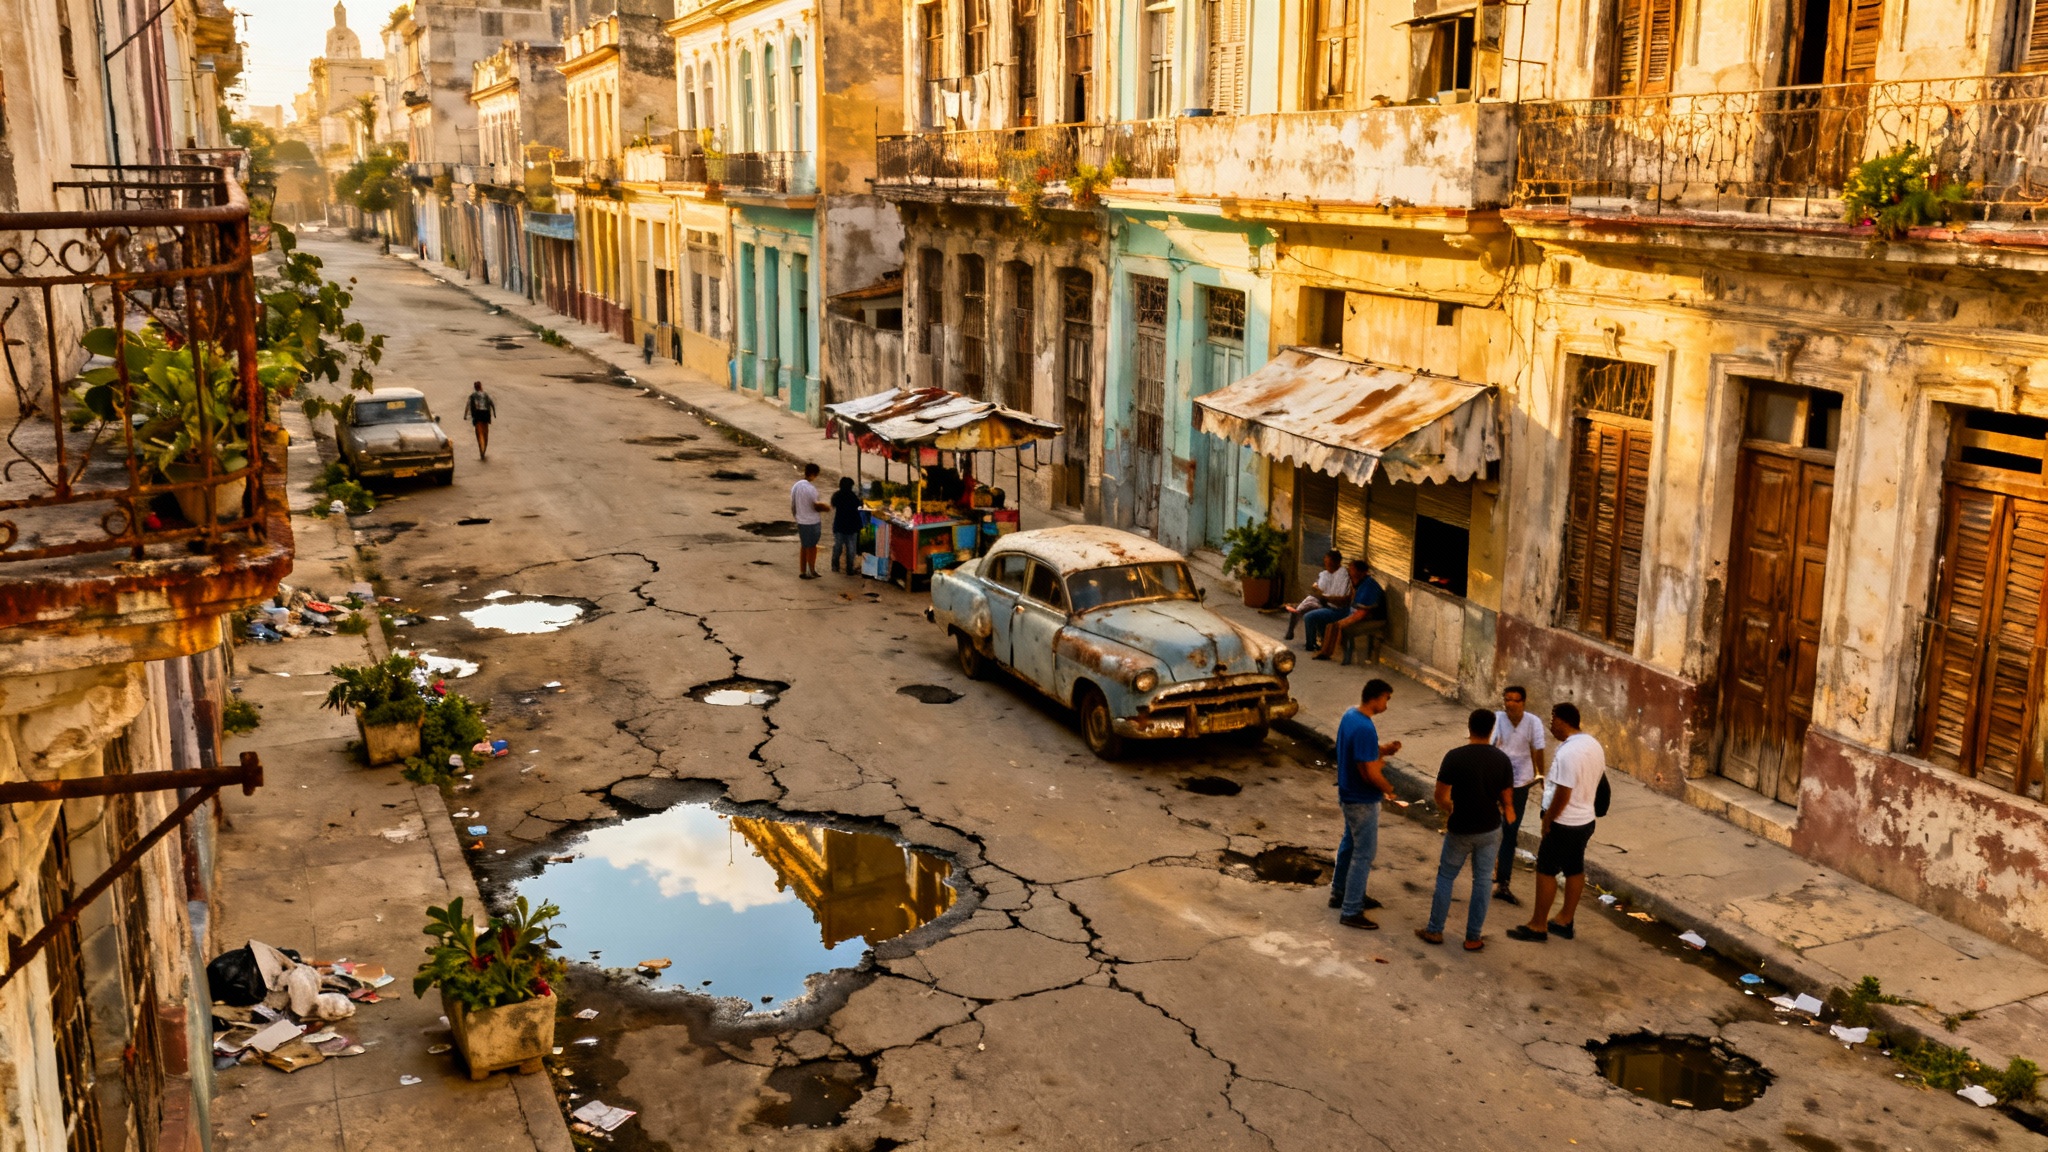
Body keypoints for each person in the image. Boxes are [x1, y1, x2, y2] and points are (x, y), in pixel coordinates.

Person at [1418, 710, 1516, 951]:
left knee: (1446, 877)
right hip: (1490, 828)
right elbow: (1507, 798)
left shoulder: (1455, 757)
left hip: (1460, 826)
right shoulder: (1501, 759)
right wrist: (1508, 812)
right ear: (1492, 729)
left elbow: (1440, 795)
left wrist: (1450, 808)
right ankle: (1473, 937)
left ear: (1469, 727)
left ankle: (1435, 930)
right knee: (1482, 881)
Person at [1508, 702, 1605, 943]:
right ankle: (1564, 920)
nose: (1551, 726)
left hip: (1564, 822)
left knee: (1546, 870)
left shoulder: (1568, 752)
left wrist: (1548, 819)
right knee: (1574, 867)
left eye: (1552, 721)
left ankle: (1538, 925)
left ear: (1562, 721)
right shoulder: (1592, 744)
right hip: (1585, 820)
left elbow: (1564, 793)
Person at [1330, 679, 1401, 929]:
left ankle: (1340, 892)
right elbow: (1369, 772)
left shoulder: (1351, 716)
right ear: (1376, 698)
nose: (1387, 705)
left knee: (1350, 843)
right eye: (1386, 699)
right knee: (1364, 854)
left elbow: (1361, 753)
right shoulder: (1364, 728)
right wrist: (1388, 788)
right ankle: (1351, 909)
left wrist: (1383, 750)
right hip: (1362, 799)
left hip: (1348, 794)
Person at [1489, 685, 1547, 907]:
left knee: (1511, 830)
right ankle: (1488, 869)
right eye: (1507, 700)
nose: (1510, 704)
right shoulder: (1498, 719)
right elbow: (1491, 745)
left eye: (1515, 700)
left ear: (1523, 702)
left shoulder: (1533, 722)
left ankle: (1503, 881)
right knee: (1489, 826)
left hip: (1520, 782)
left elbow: (1538, 748)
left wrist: (1540, 775)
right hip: (1496, 780)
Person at [1310, 561, 1385, 661]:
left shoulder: (1369, 586)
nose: (1349, 572)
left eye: (1352, 570)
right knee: (1331, 625)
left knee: (1342, 628)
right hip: (1358, 615)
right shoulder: (1358, 584)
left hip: (1373, 620)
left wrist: (1344, 622)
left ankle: (1344, 657)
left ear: (1361, 572)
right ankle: (1326, 652)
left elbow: (1362, 613)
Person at [1284, 551, 1351, 641]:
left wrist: (1323, 595)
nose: (1326, 564)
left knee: (1309, 610)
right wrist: (1316, 587)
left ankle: (1315, 639)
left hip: (1332, 605)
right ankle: (1291, 630)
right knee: (1303, 605)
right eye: (1325, 562)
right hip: (1322, 599)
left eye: (1328, 562)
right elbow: (1319, 585)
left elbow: (1338, 597)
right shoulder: (1326, 573)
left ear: (1336, 562)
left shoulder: (1343, 575)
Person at [790, 463, 830, 579]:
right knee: (812, 547)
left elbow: (793, 504)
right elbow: (816, 506)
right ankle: (811, 570)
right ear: (813, 475)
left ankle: (803, 571)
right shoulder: (811, 489)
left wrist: (796, 516)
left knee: (804, 546)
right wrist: (826, 508)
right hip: (812, 522)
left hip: (801, 521)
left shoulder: (796, 486)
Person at [829, 476, 864, 576]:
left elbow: (833, 504)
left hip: (840, 525)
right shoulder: (854, 497)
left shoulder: (837, 495)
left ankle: (835, 566)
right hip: (852, 527)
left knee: (838, 547)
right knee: (851, 549)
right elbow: (859, 506)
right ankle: (849, 569)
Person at [463, 381, 496, 460]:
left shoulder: (472, 396)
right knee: (485, 433)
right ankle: (484, 451)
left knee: (479, 434)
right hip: (485, 415)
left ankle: (481, 450)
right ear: (481, 387)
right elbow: (492, 403)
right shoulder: (486, 394)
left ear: (475, 388)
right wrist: (494, 413)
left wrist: (465, 416)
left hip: (477, 415)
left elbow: (467, 405)